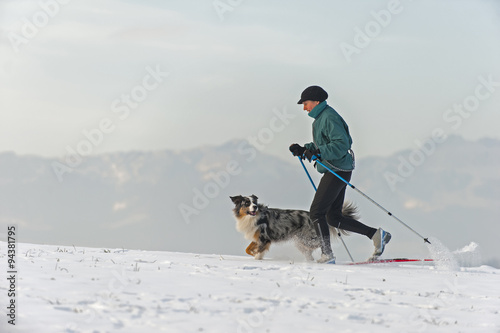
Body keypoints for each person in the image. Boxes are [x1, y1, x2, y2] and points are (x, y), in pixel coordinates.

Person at [289, 85, 391, 264]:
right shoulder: (321, 118)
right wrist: (305, 149)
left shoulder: (329, 117)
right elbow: (325, 144)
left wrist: (318, 153)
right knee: (333, 217)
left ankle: (327, 254)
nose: (304, 108)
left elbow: (341, 145)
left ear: (316, 101)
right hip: (335, 169)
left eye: (305, 103)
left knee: (316, 212)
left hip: (337, 171)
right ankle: (376, 235)